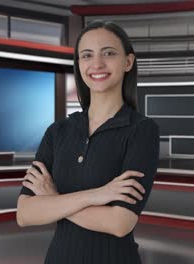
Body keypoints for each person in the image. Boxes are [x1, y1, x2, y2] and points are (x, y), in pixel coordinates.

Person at [16, 20, 159, 264]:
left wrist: (53, 199)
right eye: (87, 55)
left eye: (109, 53)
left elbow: (119, 223)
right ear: (79, 64)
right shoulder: (57, 131)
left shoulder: (142, 131)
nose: (97, 64)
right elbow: (25, 213)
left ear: (128, 62)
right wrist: (98, 195)